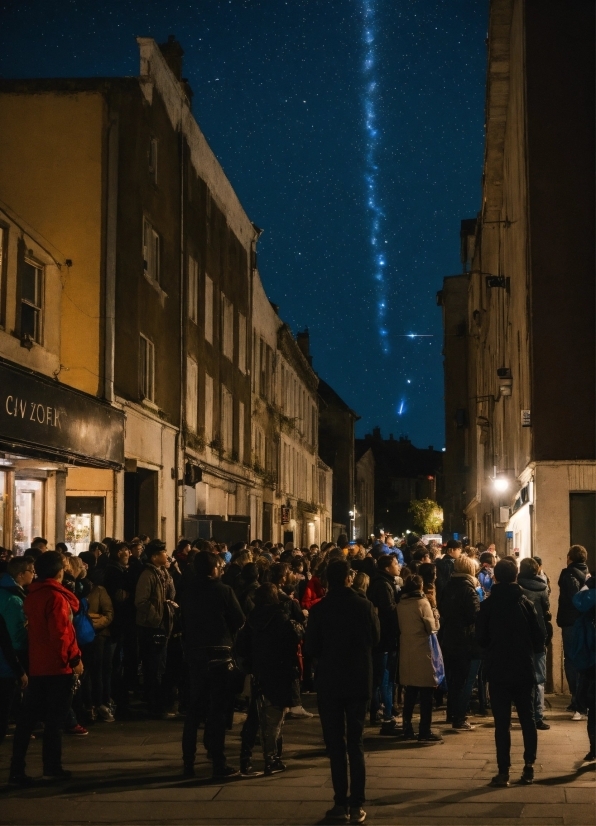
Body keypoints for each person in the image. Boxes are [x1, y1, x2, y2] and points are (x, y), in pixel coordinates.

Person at [305, 559, 380, 824]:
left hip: (330, 680)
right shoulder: (365, 606)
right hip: (359, 678)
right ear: (348, 578)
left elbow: (311, 646)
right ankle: (356, 804)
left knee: (335, 744)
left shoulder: (320, 609)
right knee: (355, 743)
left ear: (328, 581)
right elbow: (375, 638)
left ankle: (339, 802)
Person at [9, 551, 83, 785]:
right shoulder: (56, 597)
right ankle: (51, 767)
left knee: (27, 720)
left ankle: (16, 769)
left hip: (37, 663)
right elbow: (61, 634)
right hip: (57, 667)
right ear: (60, 570)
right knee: (54, 721)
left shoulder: (32, 595)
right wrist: (73, 660)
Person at [476, 558, 545, 787]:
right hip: (523, 668)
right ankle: (529, 767)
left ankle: (503, 771)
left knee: (501, 723)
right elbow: (538, 640)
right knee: (528, 719)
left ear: (495, 577)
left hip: (498, 669)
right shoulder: (525, 603)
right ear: (516, 576)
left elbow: (481, 639)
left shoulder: (487, 606)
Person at [181, 549, 244, 779]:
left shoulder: (188, 592)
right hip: (219, 654)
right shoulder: (223, 590)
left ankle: (188, 762)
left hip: (196, 654)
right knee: (217, 711)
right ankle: (218, 761)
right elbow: (239, 620)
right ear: (213, 568)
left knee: (194, 710)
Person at [240, 583, 303, 775]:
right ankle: (272, 758)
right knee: (275, 718)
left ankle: (246, 757)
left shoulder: (252, 619)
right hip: (279, 670)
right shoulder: (281, 617)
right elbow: (293, 639)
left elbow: (243, 646)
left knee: (255, 716)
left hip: (259, 671)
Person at [397, 575, 443, 743]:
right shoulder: (422, 603)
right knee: (426, 694)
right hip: (423, 651)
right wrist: (436, 616)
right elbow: (431, 628)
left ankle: (407, 728)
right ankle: (425, 730)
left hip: (407, 650)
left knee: (410, 692)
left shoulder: (401, 604)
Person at [135, 540, 176, 718]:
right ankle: (155, 706)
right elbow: (141, 601)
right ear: (154, 556)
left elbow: (170, 593)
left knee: (161, 665)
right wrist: (157, 617)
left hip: (164, 625)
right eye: (163, 553)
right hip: (152, 627)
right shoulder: (147, 575)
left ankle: (159, 703)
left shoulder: (164, 573)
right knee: (153, 667)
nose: (166, 555)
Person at [440, 555, 481, 730]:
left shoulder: (448, 586)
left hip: (448, 637)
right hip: (465, 640)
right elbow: (475, 615)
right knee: (463, 680)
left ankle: (451, 713)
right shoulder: (469, 589)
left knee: (453, 679)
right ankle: (460, 717)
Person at [367, 553, 401, 735]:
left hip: (385, 638)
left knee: (383, 677)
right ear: (387, 568)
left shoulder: (384, 582)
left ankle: (380, 710)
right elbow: (388, 611)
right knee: (384, 677)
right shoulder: (383, 584)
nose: (398, 566)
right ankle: (384, 713)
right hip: (385, 638)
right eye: (395, 564)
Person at [518, 557, 552, 730]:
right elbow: (546, 609)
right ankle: (538, 716)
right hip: (538, 637)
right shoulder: (543, 588)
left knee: (521, 677)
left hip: (520, 638)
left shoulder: (517, 588)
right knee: (539, 679)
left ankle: (524, 713)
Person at [556, 545, 590, 719]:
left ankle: (578, 702)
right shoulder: (588, 574)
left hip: (571, 623)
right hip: (584, 622)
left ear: (570, 558)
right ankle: (580, 701)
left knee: (571, 660)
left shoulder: (569, 575)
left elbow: (574, 598)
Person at [571, 577, 596, 762]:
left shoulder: (589, 594)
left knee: (593, 706)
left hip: (591, 661)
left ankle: (594, 748)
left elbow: (578, 600)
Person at [435, 539, 462, 608]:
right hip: (449, 598)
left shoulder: (440, 562)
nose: (460, 551)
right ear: (452, 550)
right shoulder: (450, 563)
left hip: (441, 598)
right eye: (458, 549)